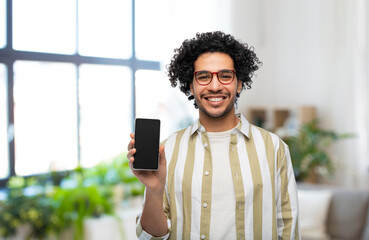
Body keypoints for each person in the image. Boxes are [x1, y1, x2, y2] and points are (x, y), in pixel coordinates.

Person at [127, 31, 300, 240]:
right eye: (203, 76)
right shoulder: (167, 150)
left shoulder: (274, 148)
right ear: (190, 85)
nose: (215, 86)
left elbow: (288, 228)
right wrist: (154, 190)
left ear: (239, 83)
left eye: (225, 76)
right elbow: (150, 238)